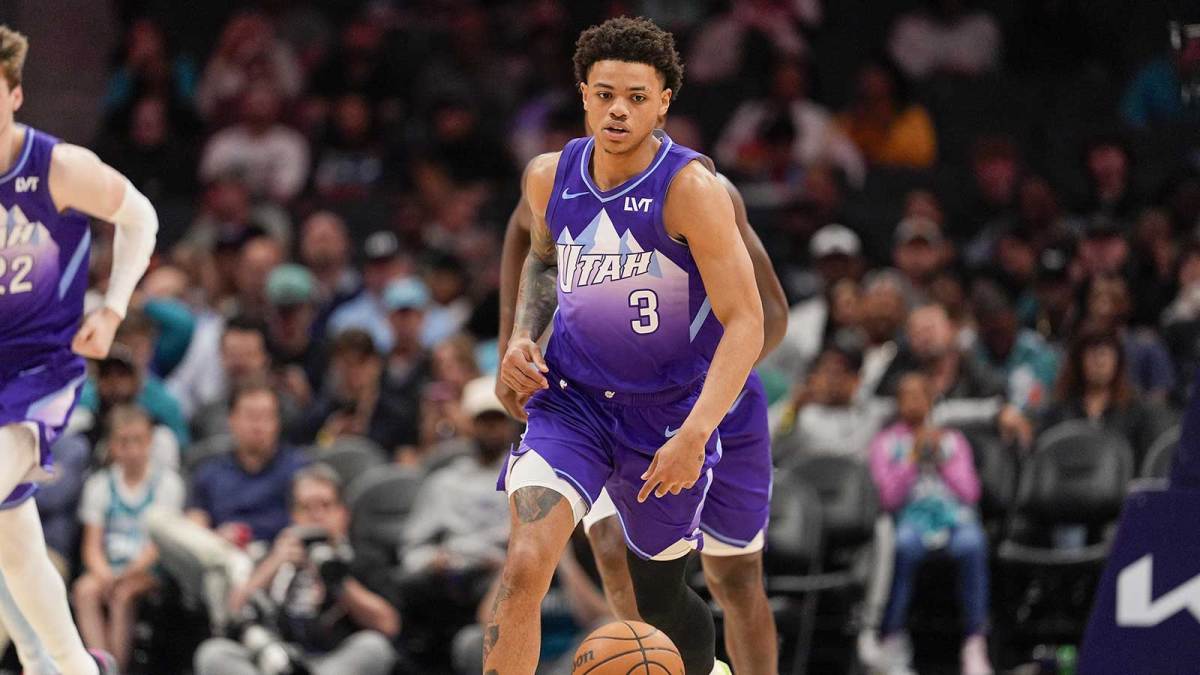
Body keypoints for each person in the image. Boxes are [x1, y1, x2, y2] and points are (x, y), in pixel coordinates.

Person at [490, 17, 764, 675]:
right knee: (527, 564)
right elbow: (543, 259)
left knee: (659, 600)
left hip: (666, 415)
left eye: (637, 96)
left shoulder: (689, 190)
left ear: (664, 100)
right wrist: (523, 335)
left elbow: (746, 320)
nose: (618, 109)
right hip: (573, 403)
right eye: (605, 92)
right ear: (583, 91)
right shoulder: (547, 177)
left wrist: (697, 431)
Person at [0, 25, 157, 675]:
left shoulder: (57, 167)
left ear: (13, 95)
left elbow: (140, 215)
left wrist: (113, 305)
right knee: (14, 545)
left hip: (39, 368)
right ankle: (67, 665)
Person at [194, 464, 399, 675]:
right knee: (214, 653)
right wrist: (273, 564)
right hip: (274, 661)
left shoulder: (363, 557)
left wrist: (337, 579)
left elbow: (389, 624)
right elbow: (232, 613)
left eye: (325, 505)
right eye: (306, 507)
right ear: (293, 515)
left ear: (343, 513)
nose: (317, 515)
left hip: (333, 661)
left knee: (373, 646)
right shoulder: (272, 555)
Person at [869, 373, 992, 675]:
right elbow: (887, 498)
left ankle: (974, 642)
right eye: (906, 396)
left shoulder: (952, 440)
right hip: (909, 519)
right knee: (903, 546)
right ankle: (893, 640)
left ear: (931, 401)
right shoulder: (886, 442)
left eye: (919, 395)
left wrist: (943, 460)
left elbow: (971, 493)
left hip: (953, 519)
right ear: (897, 403)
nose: (913, 402)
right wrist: (912, 458)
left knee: (972, 543)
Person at [73, 405, 185, 671]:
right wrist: (104, 574)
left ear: (149, 443)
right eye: (124, 442)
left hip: (150, 569)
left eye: (139, 441)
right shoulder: (100, 484)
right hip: (110, 567)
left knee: (123, 596)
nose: (132, 450)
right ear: (112, 446)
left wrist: (126, 573)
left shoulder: (167, 483)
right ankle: (98, 664)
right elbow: (92, 545)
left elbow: (160, 545)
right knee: (85, 590)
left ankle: (117, 668)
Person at [187, 380, 309, 547]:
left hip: (284, 558)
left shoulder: (300, 470)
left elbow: (311, 522)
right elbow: (194, 529)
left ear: (278, 422)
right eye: (251, 416)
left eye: (267, 416)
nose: (259, 426)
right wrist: (214, 538)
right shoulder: (210, 473)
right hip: (224, 557)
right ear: (231, 420)